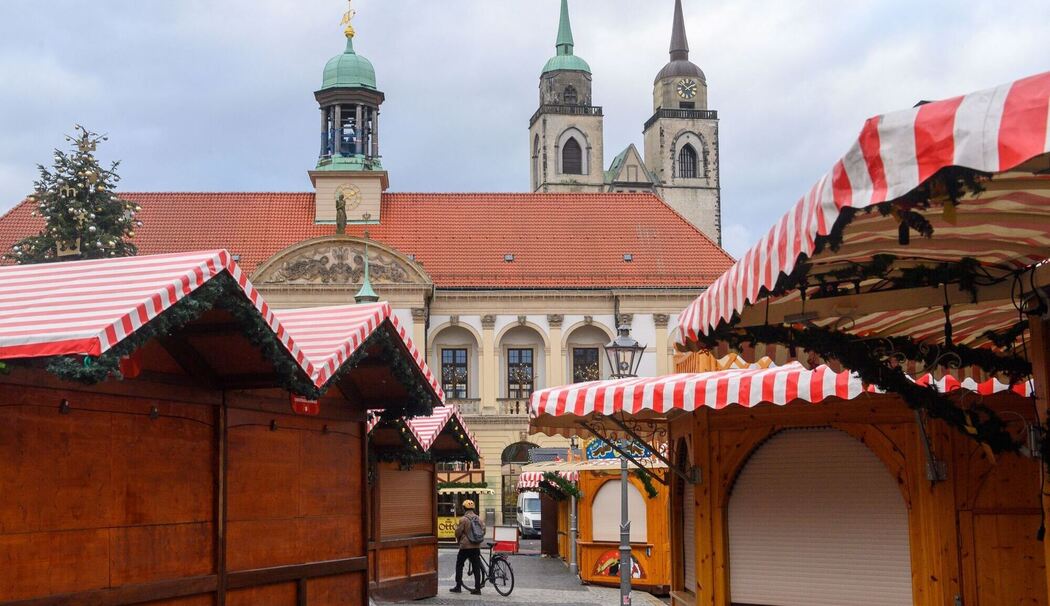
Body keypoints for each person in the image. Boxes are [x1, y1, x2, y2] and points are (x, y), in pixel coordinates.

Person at [451, 499, 485, 594]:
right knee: (476, 567)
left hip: (465, 547)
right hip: (476, 546)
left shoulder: (463, 519)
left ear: (464, 508)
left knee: (459, 565)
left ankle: (458, 586)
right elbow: (484, 530)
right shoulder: (479, 519)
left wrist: (459, 538)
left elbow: (457, 533)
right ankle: (477, 589)